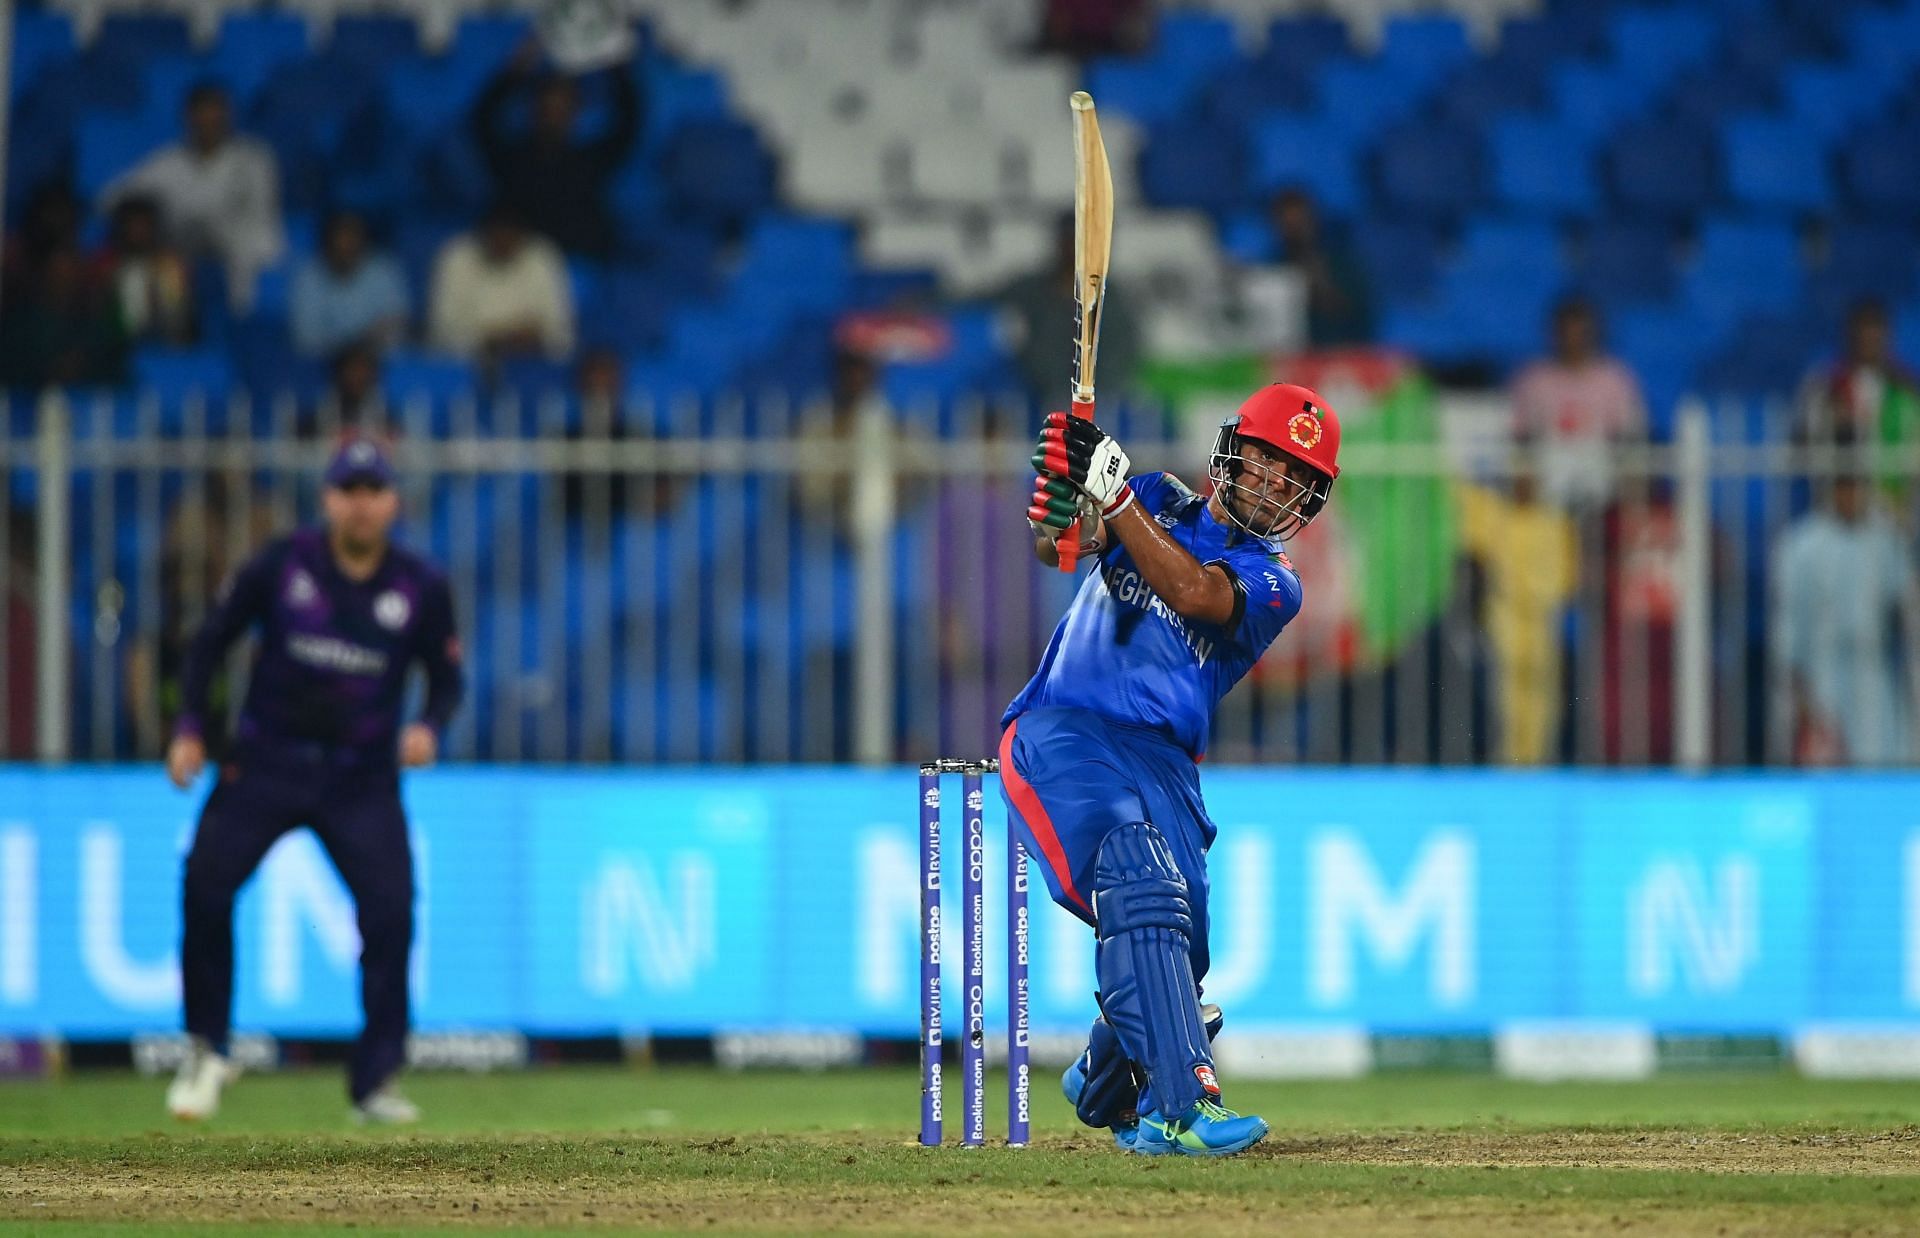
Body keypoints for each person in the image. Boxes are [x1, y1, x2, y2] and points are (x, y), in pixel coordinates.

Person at [1010, 382, 1341, 1156]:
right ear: (1230, 453)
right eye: (1264, 463)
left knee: (1179, 949)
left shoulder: (1275, 581)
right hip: (1068, 729)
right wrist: (1062, 497)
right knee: (1140, 882)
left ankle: (1104, 1077)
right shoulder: (1157, 496)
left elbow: (1192, 591)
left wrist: (1112, 487)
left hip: (1164, 766)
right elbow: (1059, 546)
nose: (1273, 488)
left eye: (1294, 480)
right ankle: (1178, 1109)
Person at [162, 437, 463, 1124]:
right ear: (328, 499)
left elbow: (447, 680)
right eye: (348, 491)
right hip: (266, 763)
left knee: (391, 913)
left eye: (373, 491)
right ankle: (207, 1049)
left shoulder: (420, 586)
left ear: (393, 501)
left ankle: (375, 1080)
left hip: (360, 777)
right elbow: (210, 641)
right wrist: (187, 729)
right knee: (206, 885)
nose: (361, 506)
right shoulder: (283, 564)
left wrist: (429, 727)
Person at [1772, 439, 1920, 767]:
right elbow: (1788, 637)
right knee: (1828, 781)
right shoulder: (1801, 546)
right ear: (1830, 488)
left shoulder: (1885, 539)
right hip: (1823, 679)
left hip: (1875, 676)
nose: (1852, 495)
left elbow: (1908, 608)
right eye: (1845, 485)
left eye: (1859, 485)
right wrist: (1804, 708)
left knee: (1888, 773)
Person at [101, 81, 284, 312]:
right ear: (188, 119)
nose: (209, 125)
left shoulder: (254, 160)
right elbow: (112, 198)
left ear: (227, 117)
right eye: (202, 118)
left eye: (215, 118)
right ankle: (173, 335)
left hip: (244, 256)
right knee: (155, 263)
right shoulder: (169, 163)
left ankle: (239, 323)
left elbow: (262, 217)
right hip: (185, 255)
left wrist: (216, 229)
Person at [1456, 443, 1577, 764]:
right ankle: (1508, 770)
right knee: (1504, 704)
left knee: (1541, 705)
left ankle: (1536, 767)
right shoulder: (1495, 513)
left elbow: (1566, 580)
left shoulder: (1554, 522)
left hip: (1540, 625)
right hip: (1503, 621)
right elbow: (1460, 498)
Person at [472, 42, 642, 259]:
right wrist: (514, 73)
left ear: (575, 113)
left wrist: (616, 68)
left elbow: (630, 124)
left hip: (581, 264)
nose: (553, 114)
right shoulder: (510, 159)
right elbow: (482, 121)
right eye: (547, 107)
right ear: (533, 110)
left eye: (563, 107)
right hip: (522, 268)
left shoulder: (592, 160)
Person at [1509, 297, 1647, 510]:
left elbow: (1629, 437)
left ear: (1593, 334)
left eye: (1580, 333)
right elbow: (1521, 438)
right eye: (1567, 333)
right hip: (1547, 476)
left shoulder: (1614, 379)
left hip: (1601, 474)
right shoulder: (1534, 380)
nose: (1573, 340)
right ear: (1555, 334)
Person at [997, 214, 1140, 408]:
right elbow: (985, 306)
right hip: (1032, 396)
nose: (1076, 249)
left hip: (1095, 404)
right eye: (1070, 240)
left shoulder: (1113, 299)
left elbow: (1121, 354)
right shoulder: (1030, 291)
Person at [1792, 299, 1920, 510]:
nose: (1869, 342)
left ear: (1888, 337)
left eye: (1875, 335)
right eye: (1863, 335)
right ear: (1849, 336)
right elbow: (1803, 443)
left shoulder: (1906, 391)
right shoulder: (1823, 386)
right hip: (1837, 507)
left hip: (1895, 509)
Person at [427, 203, 575, 362]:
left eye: (509, 239)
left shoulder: (543, 257)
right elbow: (441, 332)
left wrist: (537, 338)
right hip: (468, 366)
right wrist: (492, 340)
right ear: (484, 235)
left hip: (532, 365)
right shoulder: (456, 257)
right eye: (496, 239)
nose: (502, 245)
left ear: (522, 237)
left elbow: (563, 335)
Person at [291, 210, 409, 359]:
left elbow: (396, 325)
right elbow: (306, 337)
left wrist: (363, 343)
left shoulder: (384, 270)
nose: (346, 246)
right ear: (327, 243)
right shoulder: (309, 276)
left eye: (353, 240)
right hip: (325, 364)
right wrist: (356, 340)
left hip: (377, 361)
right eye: (340, 240)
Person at [1270, 187, 1372, 349]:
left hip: (1336, 353)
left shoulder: (1341, 265)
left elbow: (1360, 315)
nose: (1296, 230)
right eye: (1288, 223)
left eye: (1301, 221)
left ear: (1313, 220)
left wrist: (1321, 284)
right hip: (1284, 356)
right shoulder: (1270, 268)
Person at [93, 195, 196, 346]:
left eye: (144, 225)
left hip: (170, 341)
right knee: (132, 277)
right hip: (118, 342)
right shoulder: (107, 264)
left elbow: (184, 309)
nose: (139, 232)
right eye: (133, 225)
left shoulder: (170, 263)